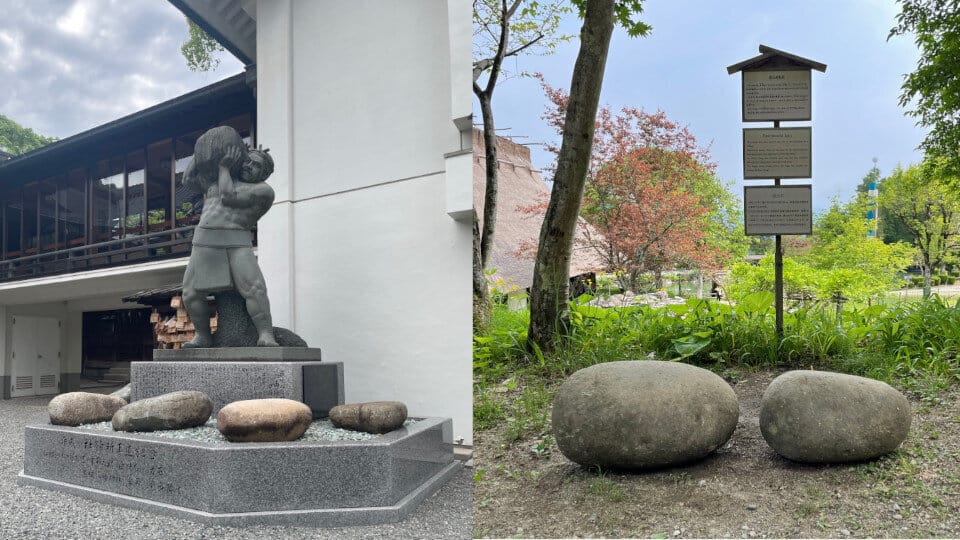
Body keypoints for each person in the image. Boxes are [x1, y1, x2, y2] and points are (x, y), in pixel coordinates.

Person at [181, 131, 278, 348]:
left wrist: (223, 167)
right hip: (205, 240)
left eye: (258, 168)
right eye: (250, 162)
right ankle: (203, 335)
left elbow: (228, 197)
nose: (251, 168)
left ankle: (266, 334)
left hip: (237, 241)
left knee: (255, 288)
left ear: (264, 174)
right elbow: (187, 180)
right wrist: (202, 152)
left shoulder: (263, 191)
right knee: (190, 293)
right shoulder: (214, 182)